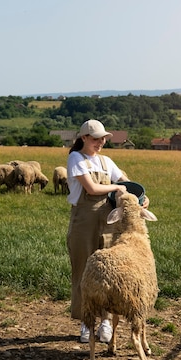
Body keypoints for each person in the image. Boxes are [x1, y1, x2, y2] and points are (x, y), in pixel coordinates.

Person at [66, 119, 130, 344]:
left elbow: (127, 183)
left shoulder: (106, 161)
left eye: (103, 138)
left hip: (108, 223)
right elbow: (91, 189)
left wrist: (140, 196)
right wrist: (116, 187)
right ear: (84, 138)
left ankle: (105, 321)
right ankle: (86, 322)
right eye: (95, 139)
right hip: (84, 222)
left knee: (107, 273)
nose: (100, 143)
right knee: (83, 272)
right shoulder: (76, 158)